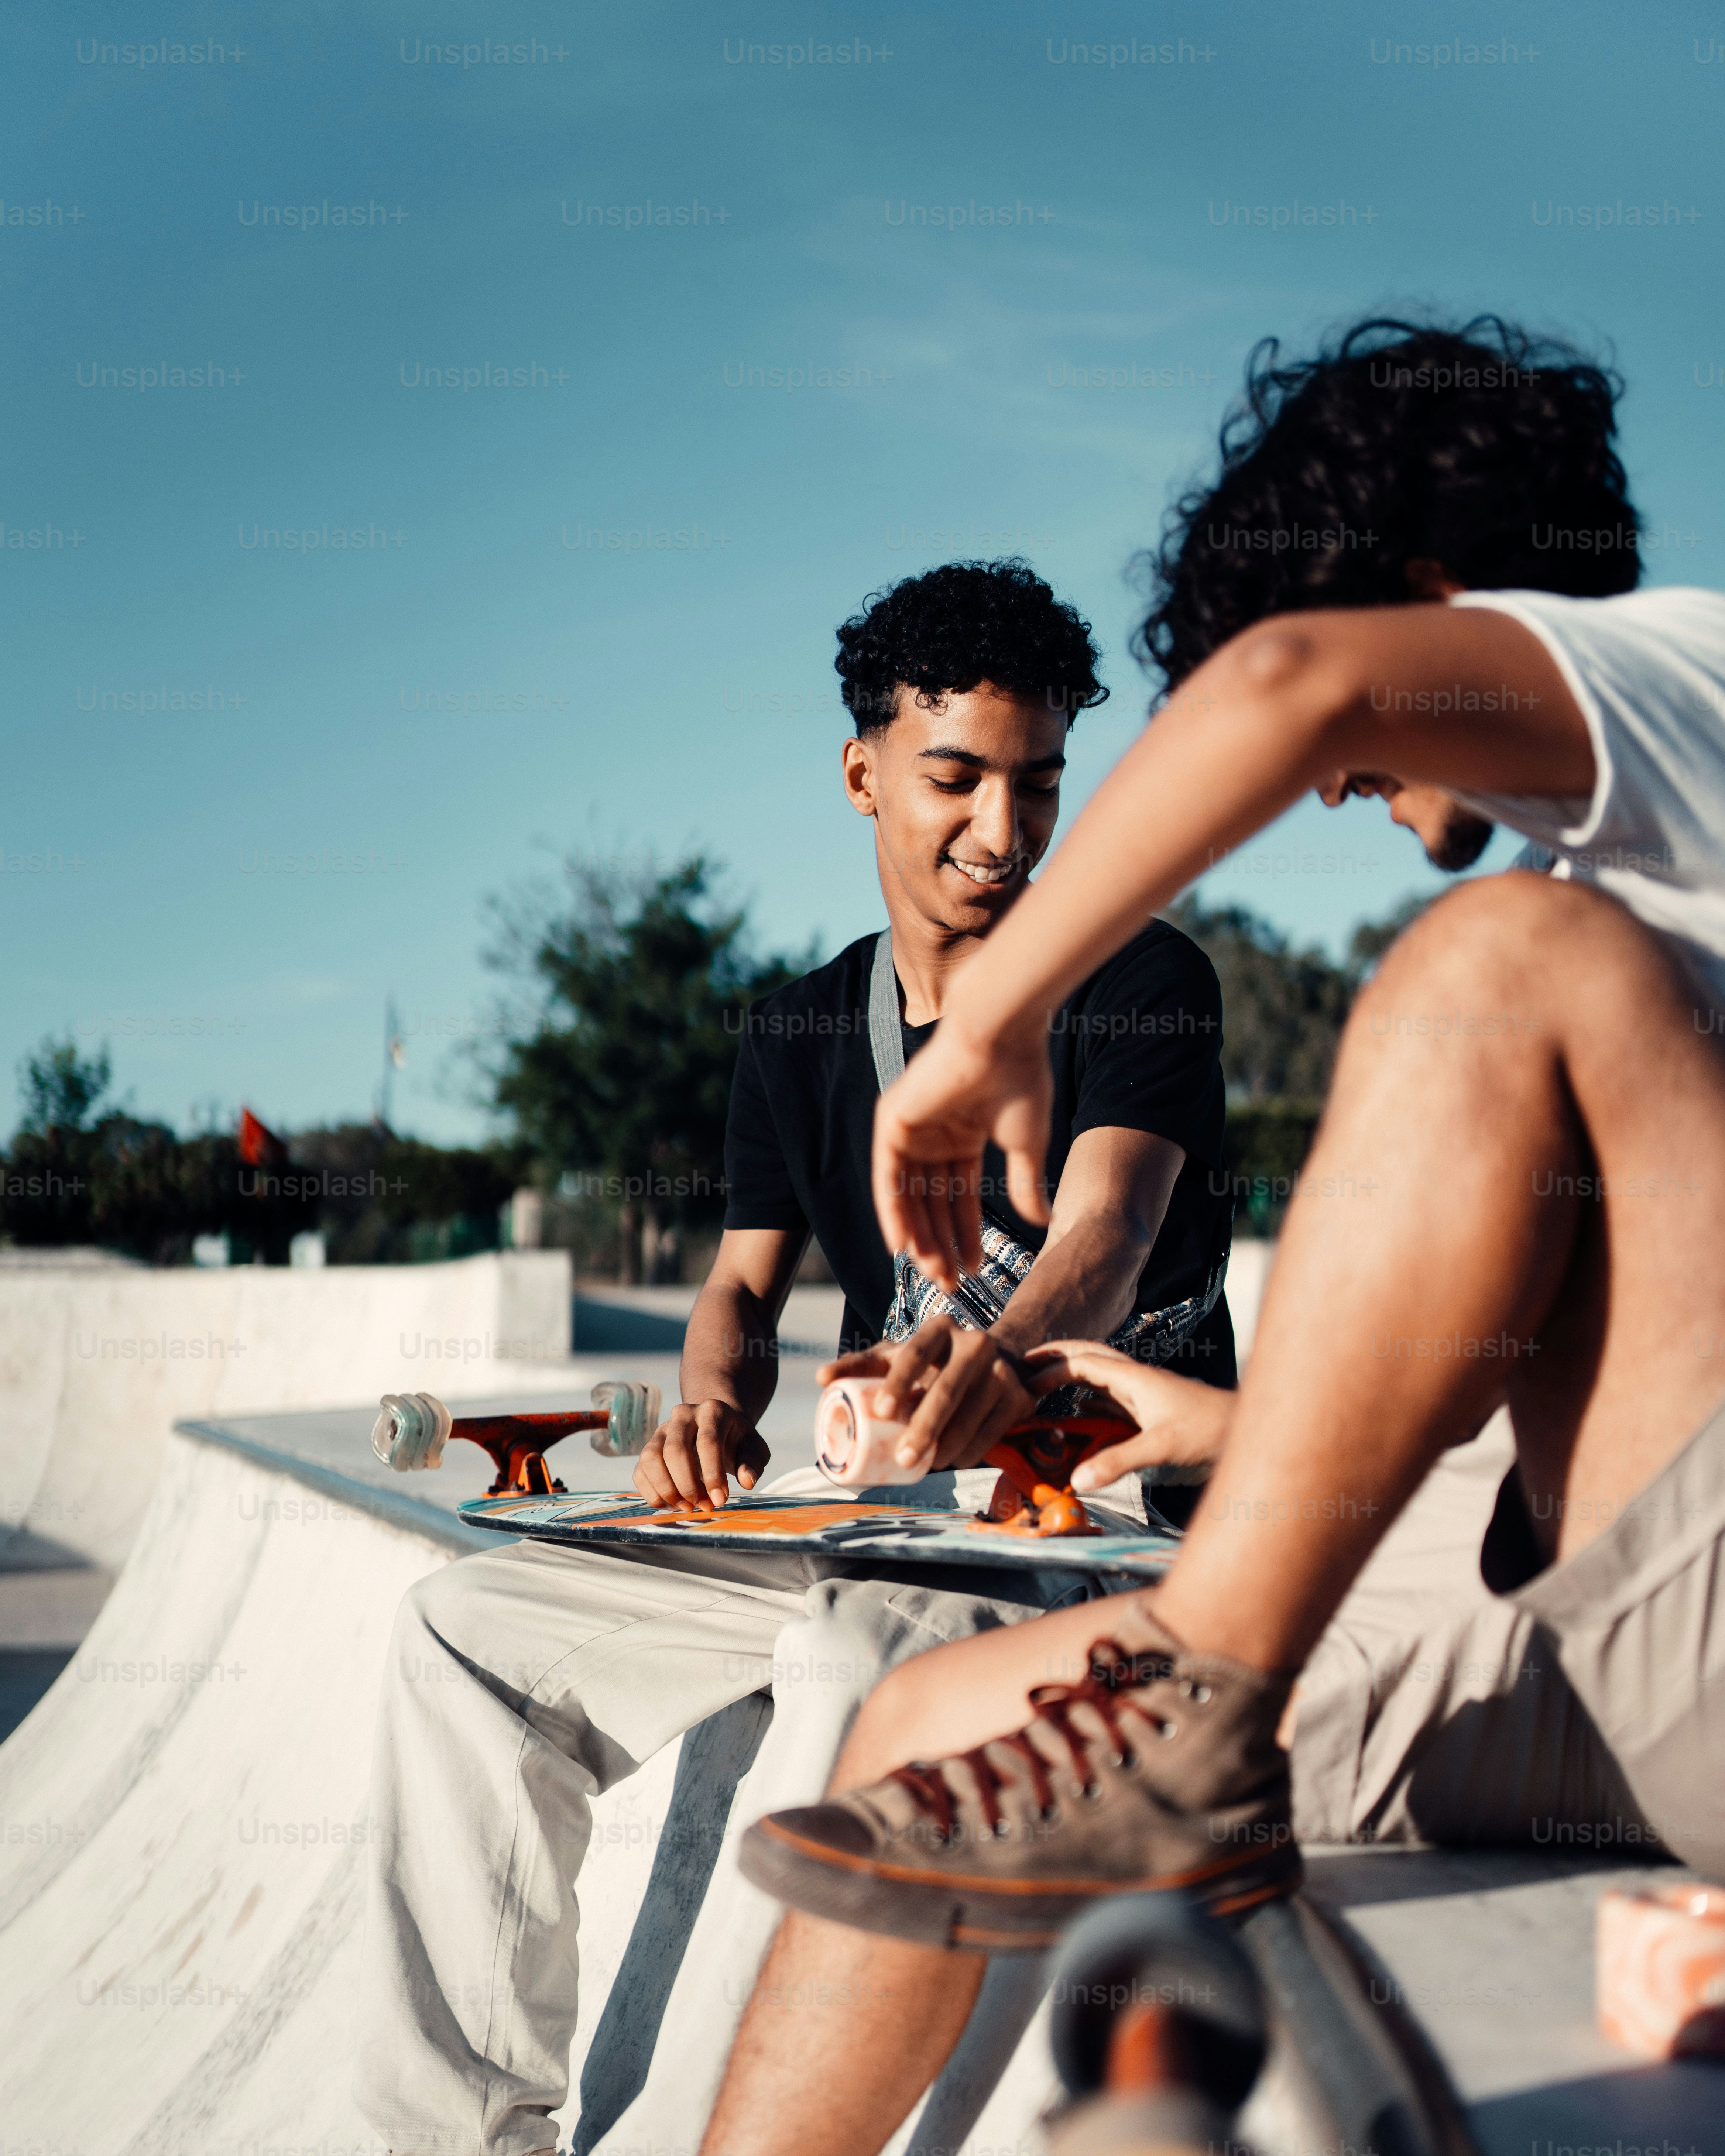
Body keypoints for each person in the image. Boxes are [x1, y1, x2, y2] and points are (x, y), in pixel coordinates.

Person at [707, 315, 1725, 2156]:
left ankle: (1198, 1697)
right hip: (1628, 1656)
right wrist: (1225, 1428)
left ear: (1434, 603)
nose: (1332, 785)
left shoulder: (1693, 676)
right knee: (927, 1725)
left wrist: (1001, 1008)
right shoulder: (1643, 910)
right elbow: (1538, 1401)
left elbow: (1296, 687)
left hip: (1676, 1635)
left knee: (1495, 966)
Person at [353, 559, 1239, 2156]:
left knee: (847, 1661)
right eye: (957, 779)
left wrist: (995, 1354)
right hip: (867, 1508)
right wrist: (709, 1403)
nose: (1005, 831)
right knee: (462, 1633)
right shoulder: (795, 1032)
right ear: (860, 773)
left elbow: (1106, 1233)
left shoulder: (1141, 980)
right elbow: (741, 1292)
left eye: (1040, 783)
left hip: (1083, 1516)